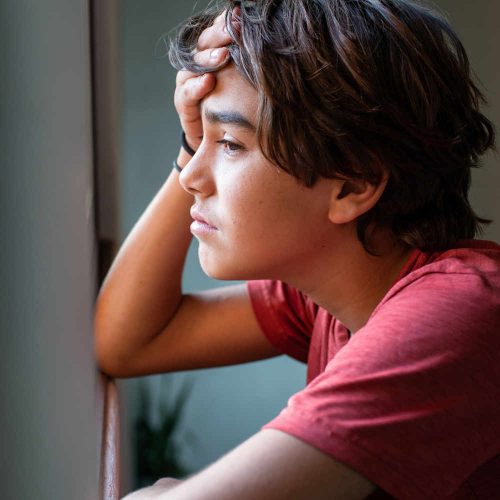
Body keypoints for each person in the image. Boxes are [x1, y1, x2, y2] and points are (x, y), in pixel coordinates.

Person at [94, 1, 500, 498]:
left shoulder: (459, 313)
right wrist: (193, 141)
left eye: (229, 145)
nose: (193, 179)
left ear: (353, 185)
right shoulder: (332, 294)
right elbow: (128, 342)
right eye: (198, 139)